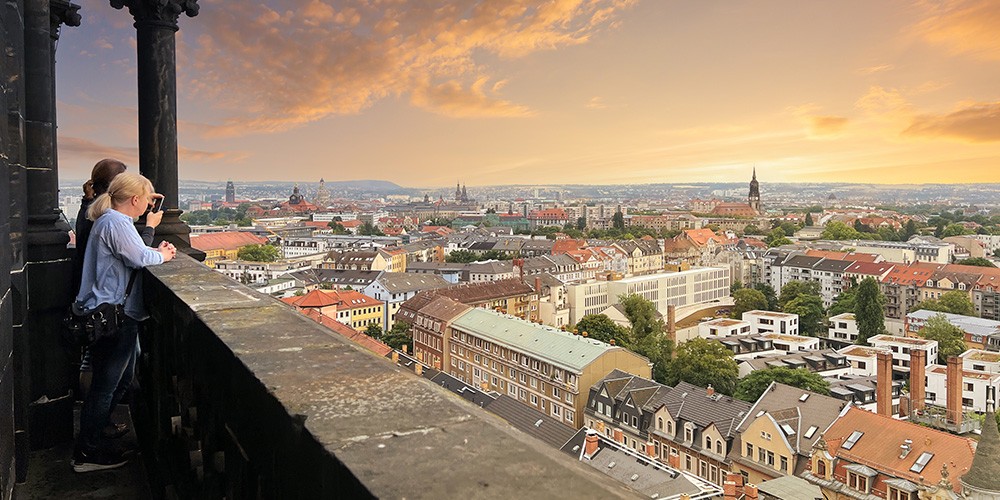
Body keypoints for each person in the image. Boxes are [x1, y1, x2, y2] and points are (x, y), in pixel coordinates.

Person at [72, 172, 176, 472]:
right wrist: (164, 254)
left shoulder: (110, 219)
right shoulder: (116, 222)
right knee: (106, 386)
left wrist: (147, 222)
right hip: (114, 315)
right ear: (134, 200)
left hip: (112, 312)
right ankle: (87, 453)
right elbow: (140, 257)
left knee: (120, 379)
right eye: (145, 198)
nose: (147, 204)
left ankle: (97, 433)